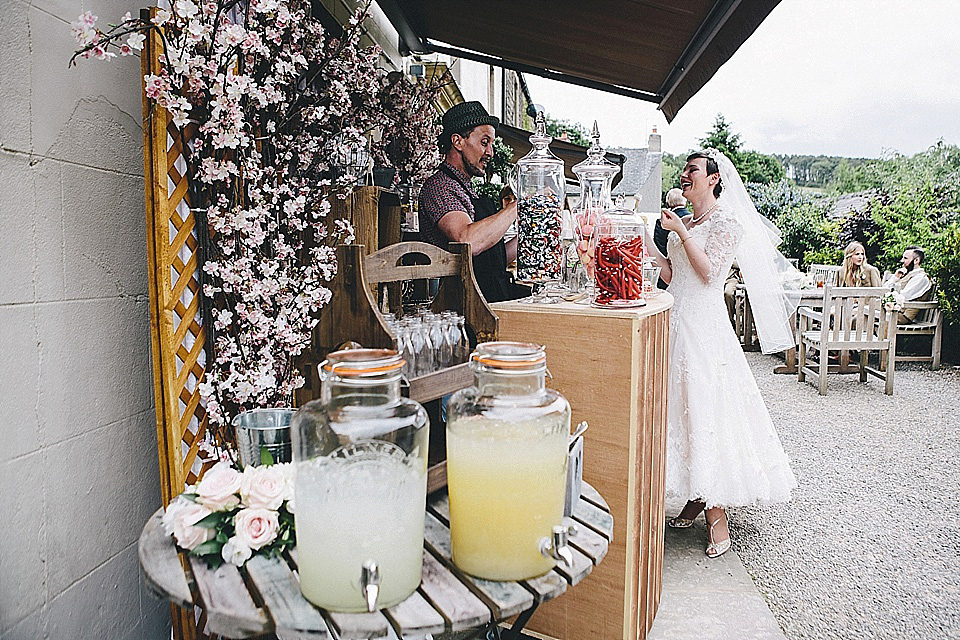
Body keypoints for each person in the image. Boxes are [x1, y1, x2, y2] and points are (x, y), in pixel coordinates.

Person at [646, 149, 797, 558]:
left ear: (713, 179)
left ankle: (717, 516)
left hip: (704, 329)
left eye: (692, 170)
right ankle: (696, 496)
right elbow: (675, 275)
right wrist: (649, 249)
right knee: (678, 411)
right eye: (684, 170)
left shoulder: (726, 223)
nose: (684, 175)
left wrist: (680, 232)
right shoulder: (689, 223)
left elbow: (710, 272)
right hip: (676, 321)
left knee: (705, 411)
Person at [418, 101, 530, 302]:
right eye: (484, 142)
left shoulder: (467, 190)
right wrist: (519, 205)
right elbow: (467, 241)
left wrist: (534, 235)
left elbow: (495, 258)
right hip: (462, 309)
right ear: (458, 141)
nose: (490, 153)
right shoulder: (440, 187)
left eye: (491, 144)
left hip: (490, 300)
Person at [883, 246, 932, 323]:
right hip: (893, 311)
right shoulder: (906, 274)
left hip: (904, 315)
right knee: (860, 314)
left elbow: (904, 296)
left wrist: (889, 294)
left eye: (905, 258)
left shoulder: (921, 278)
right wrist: (895, 278)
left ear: (916, 260)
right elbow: (883, 290)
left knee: (871, 315)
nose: (902, 261)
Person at [654, 189, 692, 289]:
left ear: (668, 202)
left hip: (666, 272)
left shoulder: (662, 221)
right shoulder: (693, 220)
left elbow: (659, 246)